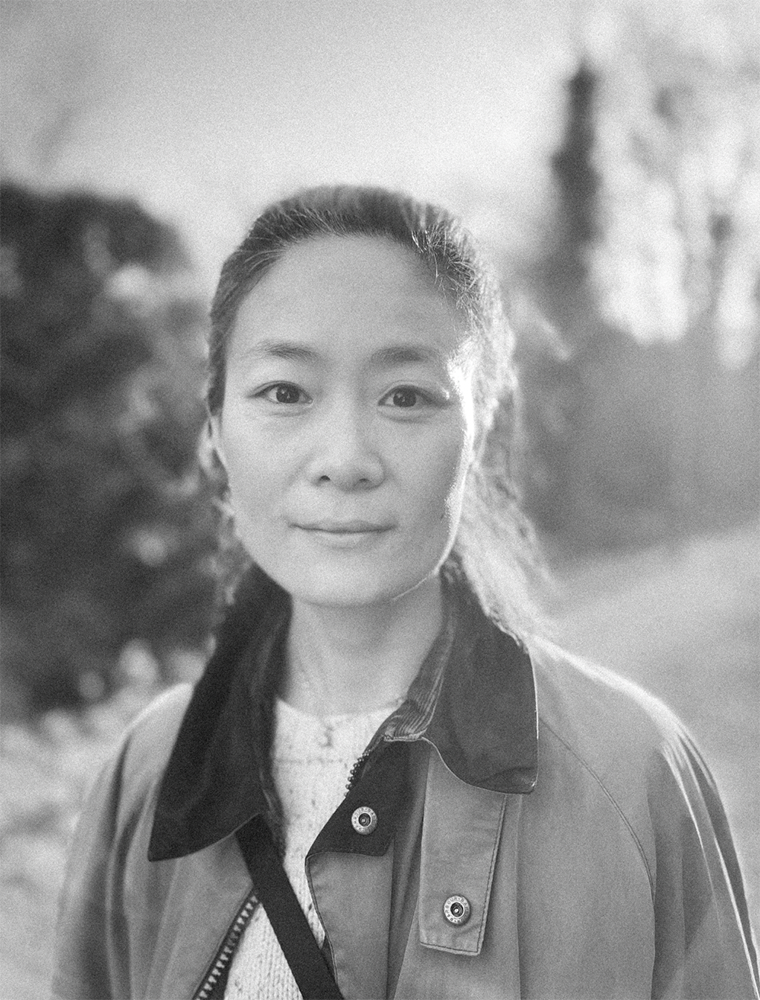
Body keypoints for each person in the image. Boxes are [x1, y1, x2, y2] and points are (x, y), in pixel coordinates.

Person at [51, 185, 759, 1000]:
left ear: (480, 431)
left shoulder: (634, 771)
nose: (345, 459)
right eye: (285, 392)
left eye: (406, 396)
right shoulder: (146, 772)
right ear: (215, 431)